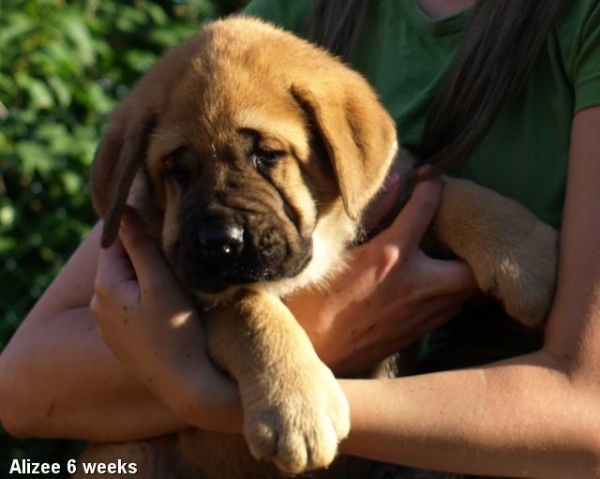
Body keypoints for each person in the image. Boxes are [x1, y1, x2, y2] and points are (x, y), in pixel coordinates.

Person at [2, 0, 600, 477]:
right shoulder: (290, 14)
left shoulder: (575, 25)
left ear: (345, 152)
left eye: (266, 157)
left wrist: (493, 228)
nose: (223, 225)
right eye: (181, 174)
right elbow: (23, 389)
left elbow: (410, 194)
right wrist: (261, 362)